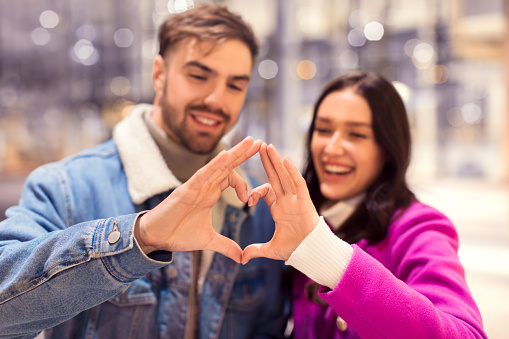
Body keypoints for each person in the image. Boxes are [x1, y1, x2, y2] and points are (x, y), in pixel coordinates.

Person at [0, 4, 289, 338]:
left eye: (235, 86)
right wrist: (142, 236)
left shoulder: (256, 209)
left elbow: (267, 328)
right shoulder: (67, 188)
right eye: (198, 76)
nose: (216, 99)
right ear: (159, 74)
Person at [243, 71, 487, 338]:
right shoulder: (307, 222)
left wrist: (331, 260)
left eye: (356, 135)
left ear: (387, 148)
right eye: (323, 130)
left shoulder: (417, 227)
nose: (332, 148)